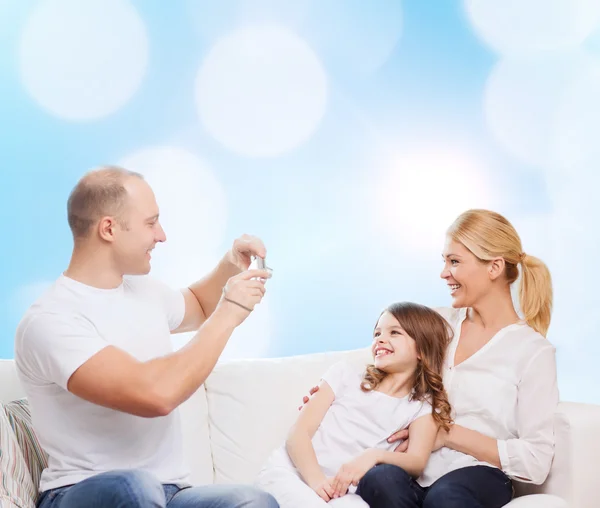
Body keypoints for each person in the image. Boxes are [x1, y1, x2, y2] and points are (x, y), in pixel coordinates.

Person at [14, 166, 279, 508]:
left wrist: (231, 264)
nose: (162, 235)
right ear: (109, 228)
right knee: (133, 488)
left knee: (252, 501)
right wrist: (228, 313)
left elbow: (198, 304)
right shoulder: (51, 320)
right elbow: (156, 395)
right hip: (81, 492)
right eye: (150, 222)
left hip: (169, 494)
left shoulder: (144, 292)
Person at [301, 209, 559, 508]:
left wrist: (445, 433)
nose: (443, 273)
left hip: (478, 473)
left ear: (494, 267)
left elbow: (537, 461)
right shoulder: (437, 323)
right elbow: (379, 358)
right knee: (378, 480)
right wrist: (331, 393)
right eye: (444, 261)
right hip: (412, 463)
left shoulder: (532, 351)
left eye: (455, 261)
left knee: (445, 498)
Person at [255, 301, 454, 508]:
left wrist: (374, 456)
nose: (381, 339)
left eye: (394, 333)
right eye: (377, 334)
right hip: (294, 474)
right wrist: (317, 482)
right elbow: (298, 434)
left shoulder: (421, 406)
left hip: (342, 493)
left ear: (422, 349)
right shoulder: (345, 375)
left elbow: (416, 462)